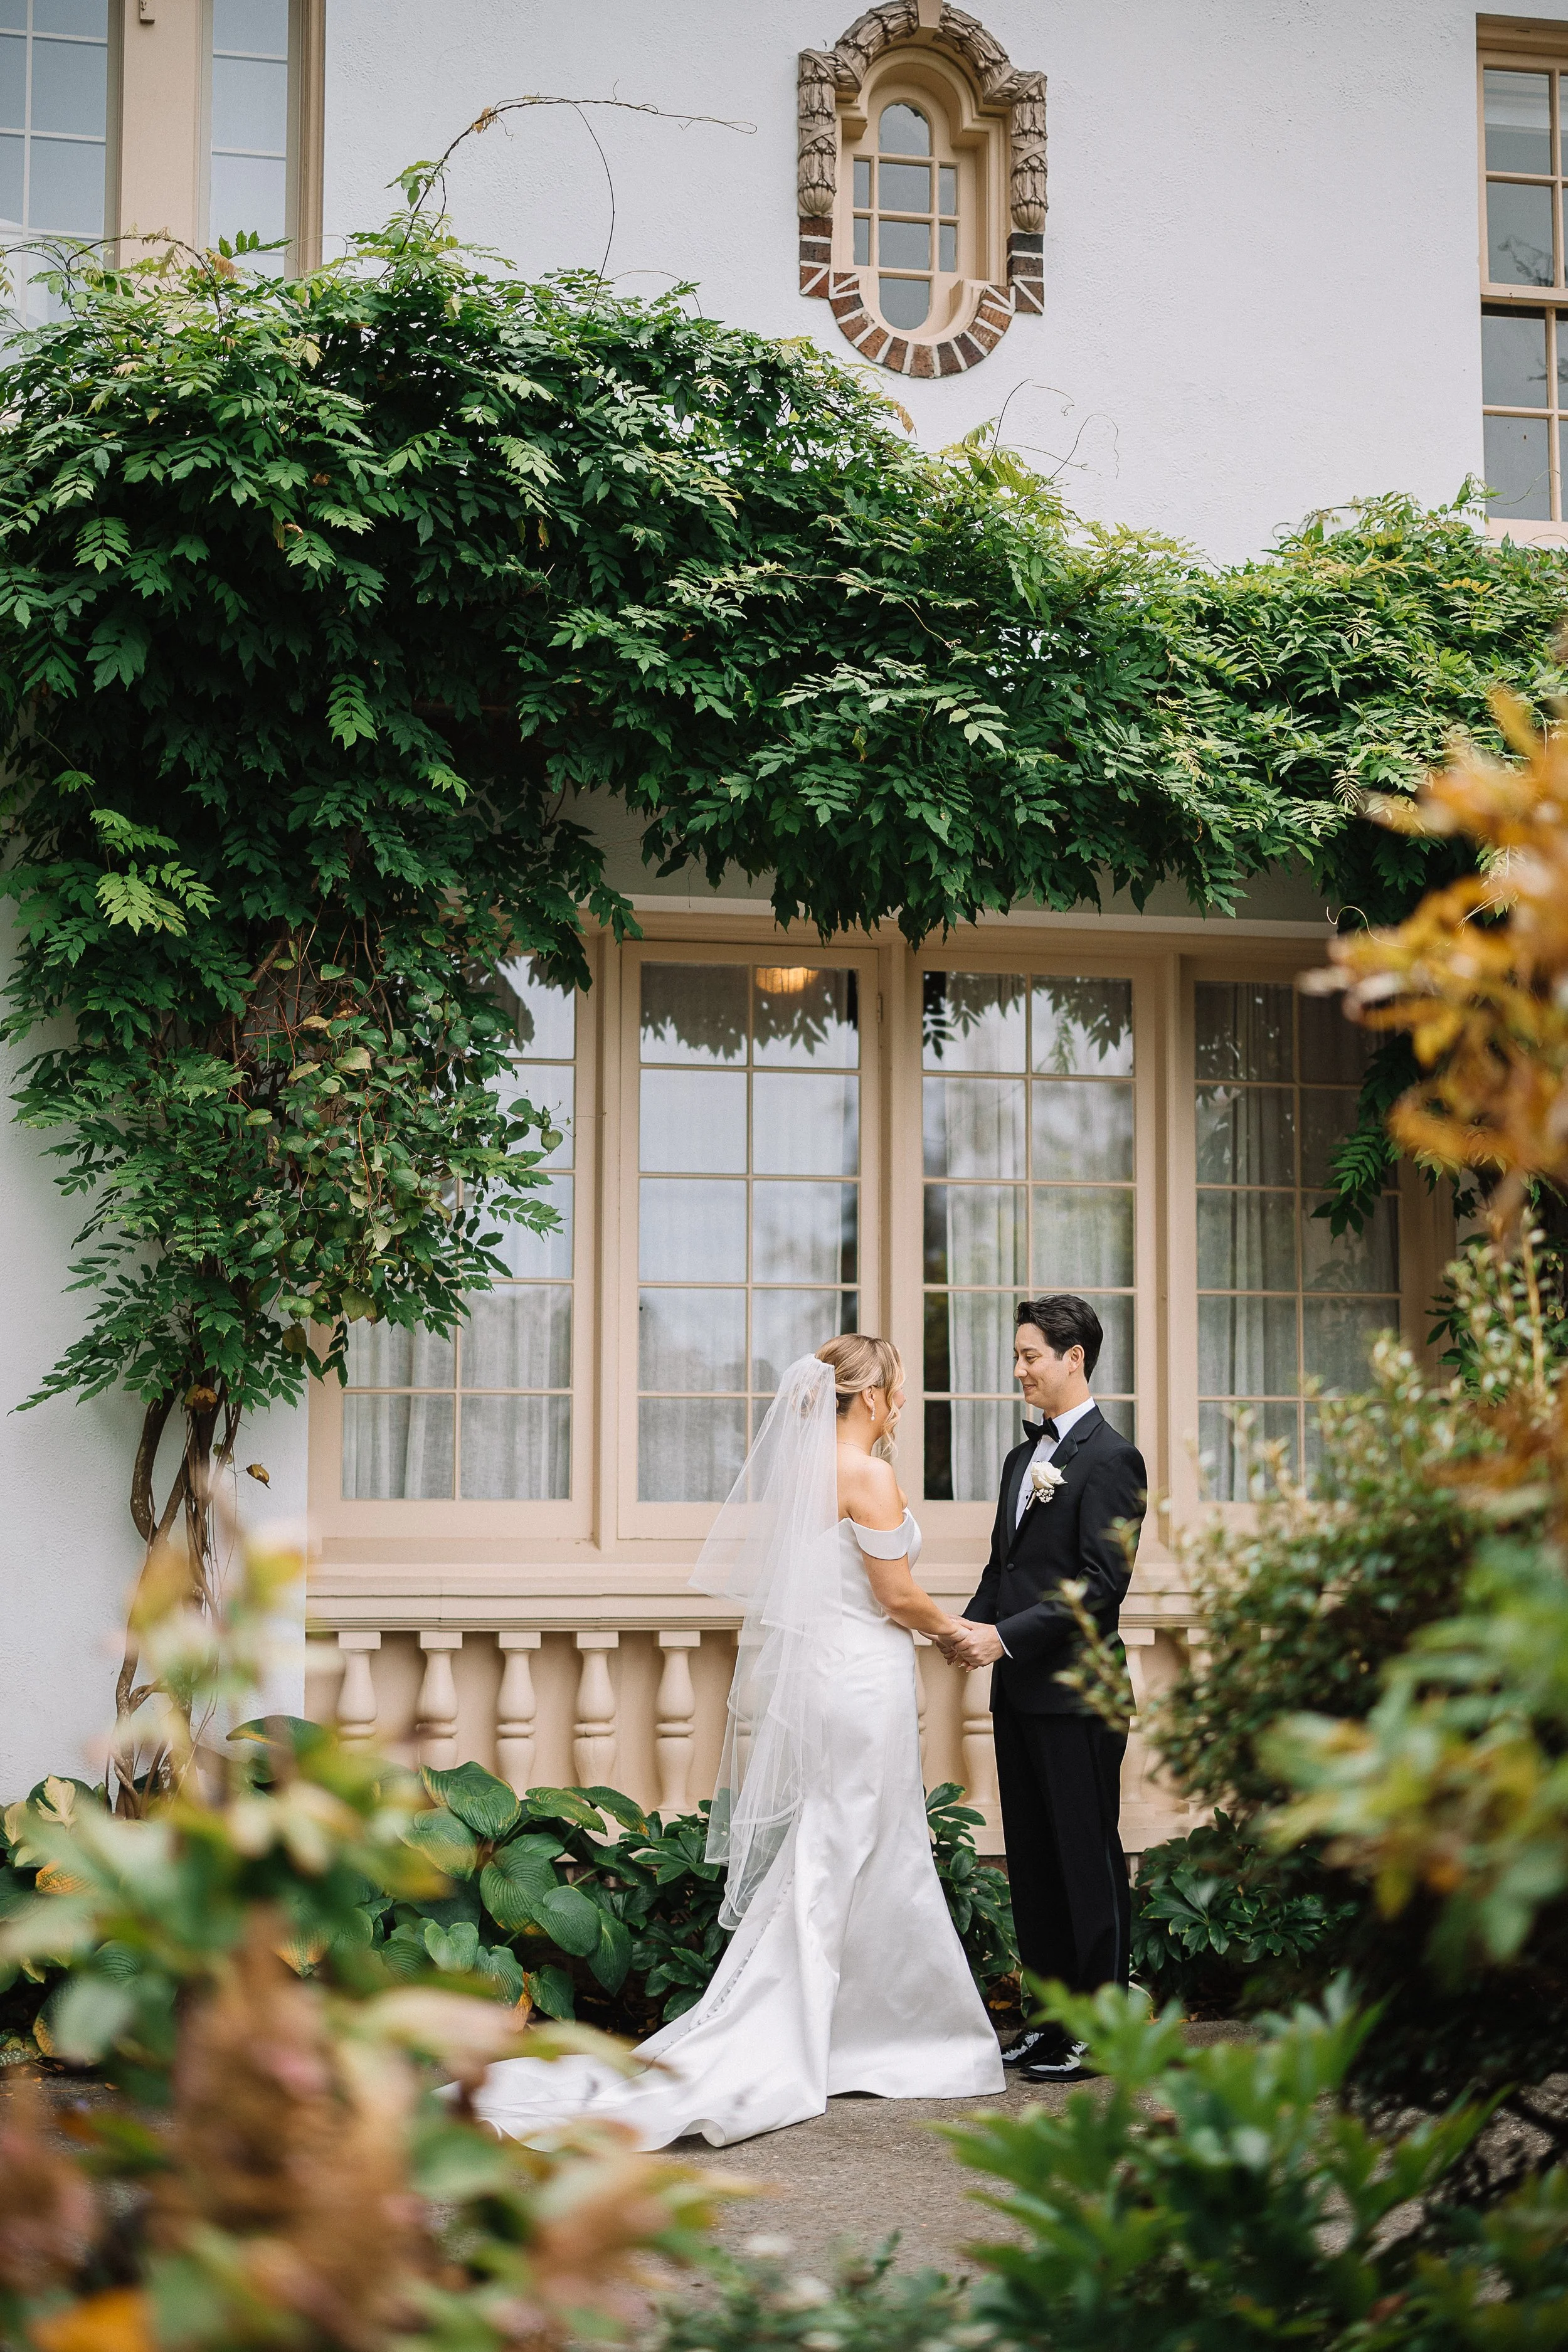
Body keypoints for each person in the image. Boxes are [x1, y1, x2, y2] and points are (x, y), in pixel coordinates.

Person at [475, 1337, 1005, 2149]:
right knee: (865, 1842)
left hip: (836, 1674)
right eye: (897, 1387)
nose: (902, 1400)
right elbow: (895, 1594)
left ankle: (854, 2032)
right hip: (864, 1677)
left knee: (845, 1840)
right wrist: (957, 1634)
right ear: (868, 1397)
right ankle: (869, 2036)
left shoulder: (802, 1473)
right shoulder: (868, 1474)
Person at [945, 1296, 1147, 2085]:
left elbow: (1101, 1587)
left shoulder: (1113, 1458)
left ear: (1075, 1357)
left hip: (1079, 1694)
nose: (1019, 1368)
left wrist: (1005, 1637)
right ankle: (1050, 2022)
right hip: (1019, 1693)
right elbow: (1007, 1571)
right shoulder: (1015, 1462)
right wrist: (961, 1630)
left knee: (1085, 1859)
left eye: (1032, 1354)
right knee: (1030, 1861)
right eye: (1018, 1354)